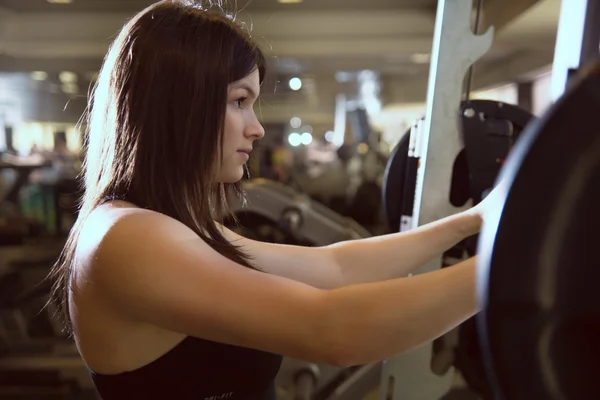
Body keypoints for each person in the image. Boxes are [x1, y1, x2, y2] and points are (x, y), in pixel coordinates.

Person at [47, 1, 503, 399]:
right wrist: (508, 264)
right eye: (239, 101)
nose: (257, 128)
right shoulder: (129, 239)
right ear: (180, 105)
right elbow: (332, 330)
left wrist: (478, 219)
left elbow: (335, 270)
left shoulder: (166, 227)